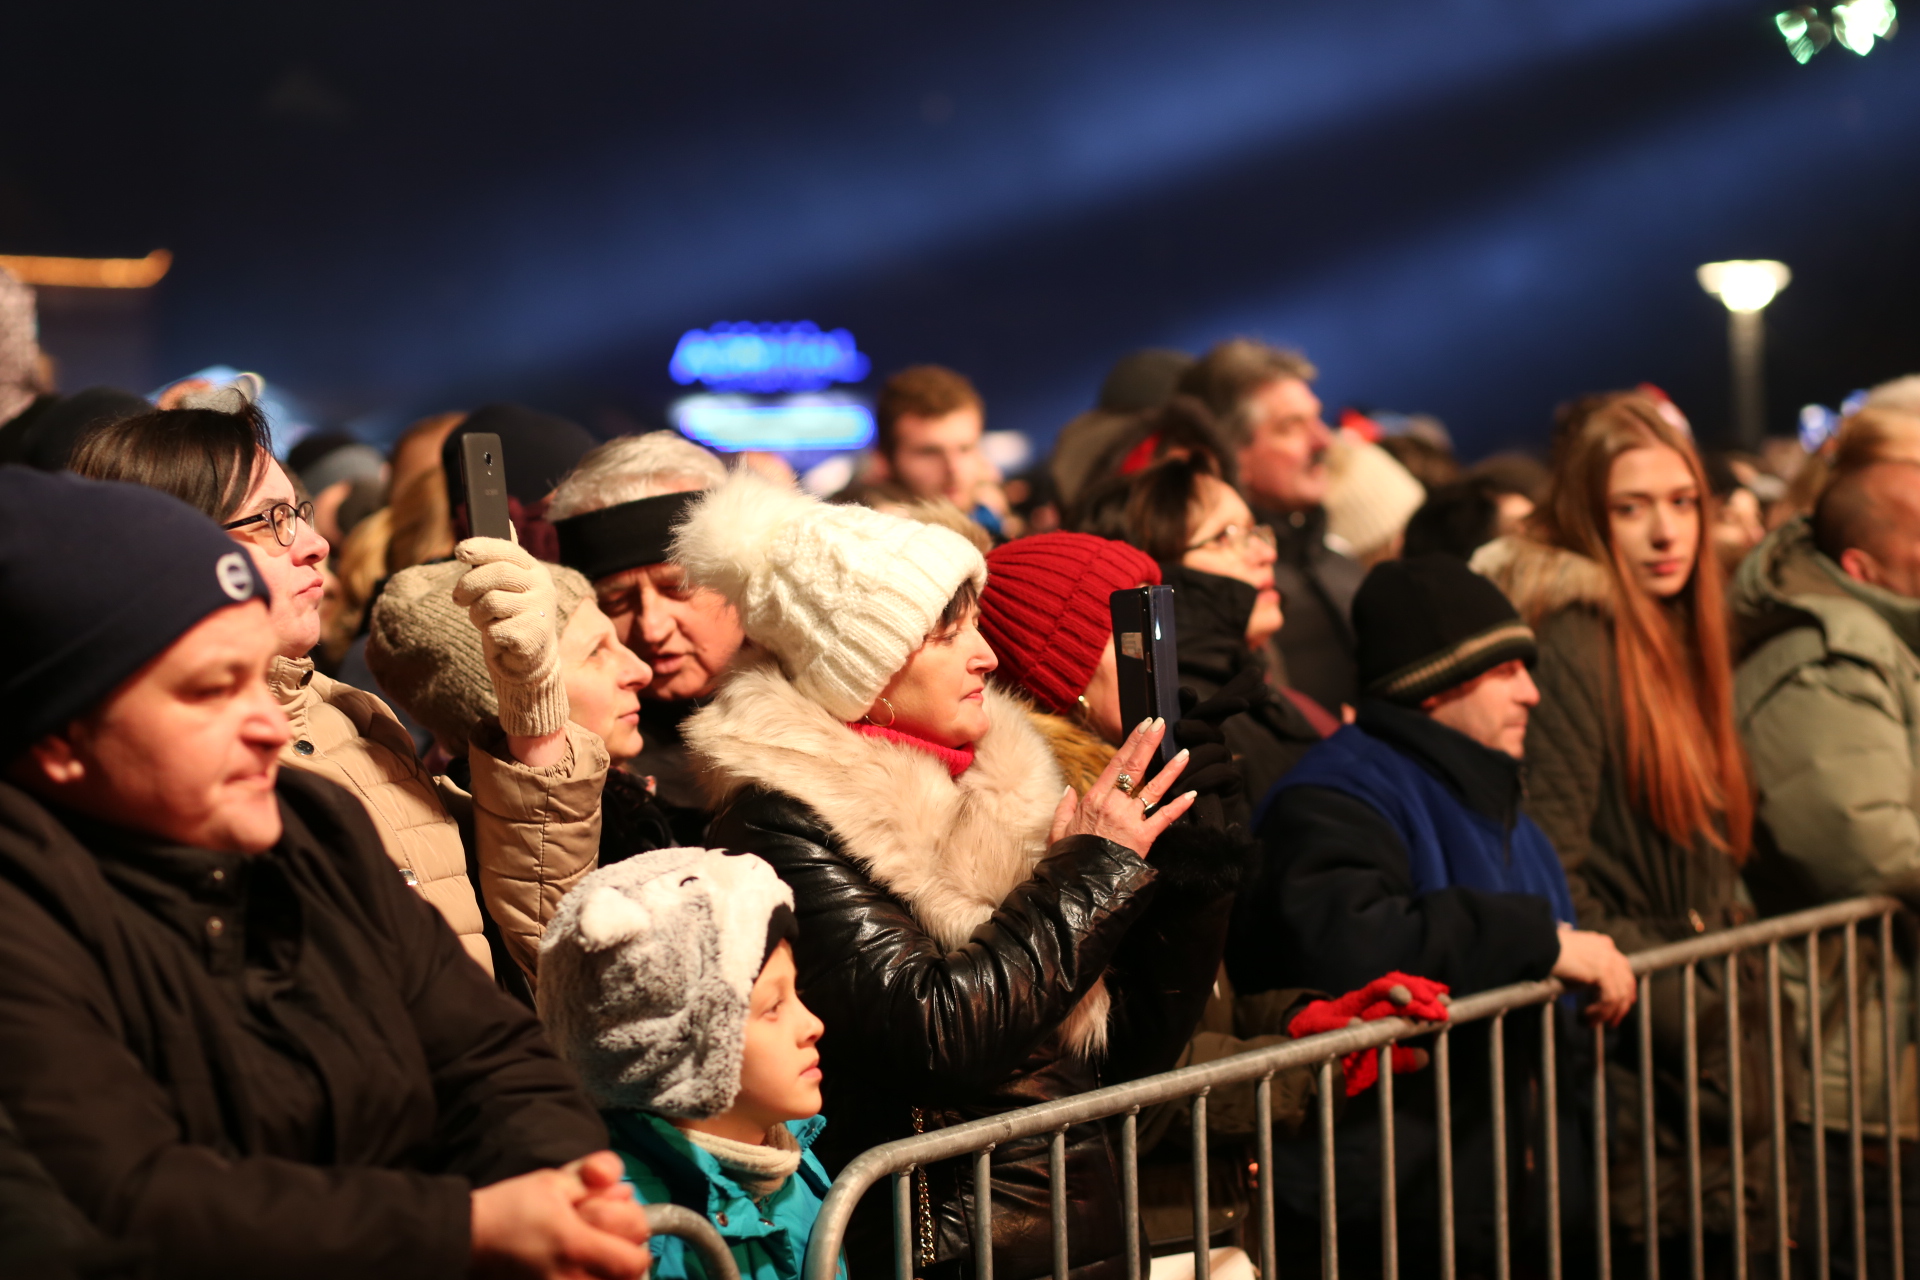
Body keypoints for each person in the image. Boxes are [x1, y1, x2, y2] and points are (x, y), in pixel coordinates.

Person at [0, 467, 650, 1278]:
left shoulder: (315, 827)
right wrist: (463, 1226)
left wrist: (561, 1186)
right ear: (60, 740)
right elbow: (125, 1202)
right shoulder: (24, 910)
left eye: (256, 677)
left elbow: (493, 1056)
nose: (270, 728)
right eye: (211, 691)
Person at [675, 470, 1235, 1280]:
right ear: (862, 670)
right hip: (943, 1243)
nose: (987, 653)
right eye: (946, 633)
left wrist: (1195, 877)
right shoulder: (780, 819)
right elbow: (937, 1029)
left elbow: (1118, 1056)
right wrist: (1094, 869)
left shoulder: (1005, 779)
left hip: (1071, 1225)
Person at [67, 395, 606, 982]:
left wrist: (532, 699)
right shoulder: (139, 760)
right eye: (270, 520)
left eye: (298, 511)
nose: (314, 543)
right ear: (176, 549)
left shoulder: (351, 713)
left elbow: (547, 939)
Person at [1235, 553, 1636, 1276]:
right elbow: (1353, 943)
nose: (1533, 695)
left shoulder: (1500, 799)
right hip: (1400, 1216)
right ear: (1434, 685)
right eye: (1507, 671)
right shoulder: (1335, 795)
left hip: (1506, 1205)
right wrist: (1535, 943)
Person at [1472, 389, 1778, 1266]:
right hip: (1639, 1054)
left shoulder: (1680, 624)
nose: (1665, 533)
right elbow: (1554, 861)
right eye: (1631, 508)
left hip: (1696, 1044)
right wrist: (1697, 999)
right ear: (1587, 516)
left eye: (1683, 503)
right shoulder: (1576, 633)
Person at [1732, 459, 1920, 1277]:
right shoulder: (1825, 651)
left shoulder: (1880, 638)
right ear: (1862, 567)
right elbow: (1866, 842)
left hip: (1873, 1047)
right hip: (1833, 1059)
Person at [367, 549, 673, 980]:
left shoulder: (631, 805)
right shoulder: (504, 861)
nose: (639, 669)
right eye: (596, 653)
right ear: (519, 693)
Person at [540, 848, 844, 1280]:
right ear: (677, 1042)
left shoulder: (789, 1160)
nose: (813, 1024)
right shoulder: (634, 1229)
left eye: (795, 994)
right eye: (773, 1006)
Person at [1080, 454, 1332, 796]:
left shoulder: (1253, 681)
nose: (1265, 553)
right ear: (1156, 575)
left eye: (1255, 530)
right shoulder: (1187, 719)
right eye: (1225, 536)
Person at [549, 432, 744, 843]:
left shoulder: (835, 714)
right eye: (617, 601)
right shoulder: (561, 764)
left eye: (677, 588)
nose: (652, 628)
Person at [1178, 338, 1363, 714]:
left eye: (1317, 418)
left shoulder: (1340, 560)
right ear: (1230, 452)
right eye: (1291, 426)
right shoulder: (1238, 599)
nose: (1322, 440)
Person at [859, 364, 1008, 537]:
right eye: (929, 452)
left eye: (965, 449)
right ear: (883, 460)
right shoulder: (863, 534)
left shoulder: (992, 518)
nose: (953, 467)